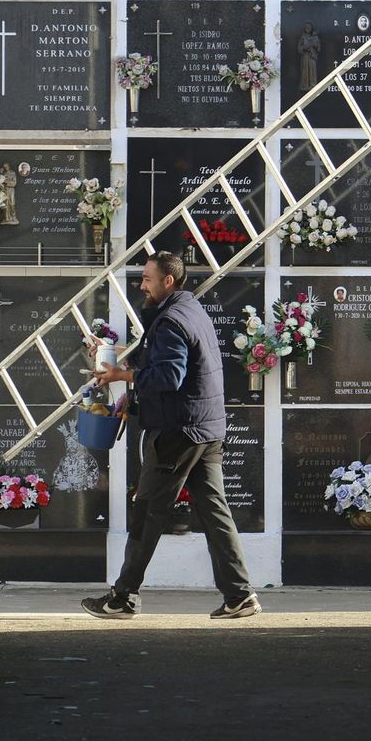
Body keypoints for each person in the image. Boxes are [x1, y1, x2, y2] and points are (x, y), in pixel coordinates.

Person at [81, 252, 260, 621]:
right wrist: (126, 364)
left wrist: (121, 377)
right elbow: (170, 365)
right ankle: (239, 595)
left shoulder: (171, 321)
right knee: (214, 512)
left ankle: (122, 597)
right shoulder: (190, 310)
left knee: (147, 512)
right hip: (206, 428)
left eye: (148, 279)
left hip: (178, 430)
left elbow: (169, 378)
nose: (142, 285)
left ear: (168, 281)